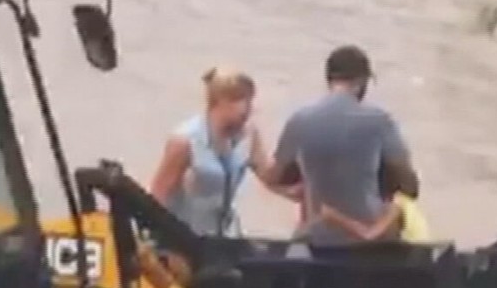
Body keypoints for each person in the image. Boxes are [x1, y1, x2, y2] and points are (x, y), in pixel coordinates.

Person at [265, 45, 421, 245]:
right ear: (363, 81)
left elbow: (274, 178)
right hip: (371, 241)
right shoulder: (379, 121)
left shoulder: (299, 120)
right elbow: (410, 186)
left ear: (328, 80)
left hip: (318, 239)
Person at [149, 67, 298, 239]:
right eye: (241, 100)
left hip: (226, 235)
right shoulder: (185, 141)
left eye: (250, 100)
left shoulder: (248, 135)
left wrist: (300, 186)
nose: (248, 109)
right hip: (187, 235)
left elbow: (269, 176)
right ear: (220, 101)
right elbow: (158, 195)